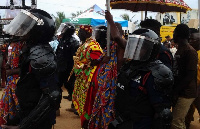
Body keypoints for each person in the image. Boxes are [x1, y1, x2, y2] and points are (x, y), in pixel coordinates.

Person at [1, 9, 61, 129]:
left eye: (26, 26)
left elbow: (52, 97)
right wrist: (18, 119)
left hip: (38, 123)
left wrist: (23, 126)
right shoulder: (31, 50)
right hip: (28, 111)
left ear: (36, 31)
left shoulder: (41, 56)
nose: (21, 29)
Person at [108, 28, 173, 129]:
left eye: (141, 46)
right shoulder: (129, 66)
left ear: (151, 49)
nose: (136, 49)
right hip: (122, 121)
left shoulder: (157, 73)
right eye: (134, 44)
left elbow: (162, 113)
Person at [88, 11, 127, 129]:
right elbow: (93, 62)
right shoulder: (108, 48)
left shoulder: (123, 45)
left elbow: (116, 37)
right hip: (103, 88)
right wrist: (101, 60)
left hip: (115, 87)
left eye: (110, 32)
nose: (108, 35)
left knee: (111, 115)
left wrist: (110, 20)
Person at [71, 24, 103, 128]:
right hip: (82, 78)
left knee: (87, 104)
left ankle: (87, 124)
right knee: (82, 103)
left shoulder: (93, 45)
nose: (78, 34)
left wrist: (83, 65)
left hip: (89, 80)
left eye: (80, 32)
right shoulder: (85, 44)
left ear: (87, 33)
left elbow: (97, 60)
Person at [171, 24, 198, 129]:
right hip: (180, 91)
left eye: (174, 32)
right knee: (179, 121)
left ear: (177, 34)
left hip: (186, 92)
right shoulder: (180, 49)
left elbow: (190, 75)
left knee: (176, 122)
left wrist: (176, 90)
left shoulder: (190, 51)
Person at [0, 40, 23, 127]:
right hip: (11, 81)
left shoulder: (25, 48)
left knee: (18, 104)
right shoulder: (14, 47)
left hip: (20, 82)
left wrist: (12, 71)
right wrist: (8, 65)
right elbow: (10, 62)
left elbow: (27, 69)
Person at [56, 22, 80, 101]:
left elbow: (74, 57)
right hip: (61, 67)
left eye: (64, 28)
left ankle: (74, 104)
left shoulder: (73, 42)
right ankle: (57, 106)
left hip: (69, 68)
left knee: (70, 85)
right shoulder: (62, 40)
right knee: (58, 85)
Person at [185, 29, 200, 129]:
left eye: (193, 39)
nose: (190, 41)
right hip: (190, 88)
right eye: (189, 39)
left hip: (198, 88)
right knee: (187, 112)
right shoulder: (190, 52)